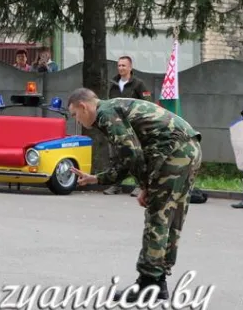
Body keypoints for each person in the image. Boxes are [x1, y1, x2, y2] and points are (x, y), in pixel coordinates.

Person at [66, 88, 202, 303]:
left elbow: (132, 154)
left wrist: (144, 186)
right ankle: (158, 282)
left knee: (157, 217)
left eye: (75, 115)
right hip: (188, 148)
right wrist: (96, 179)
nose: (77, 121)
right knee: (171, 216)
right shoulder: (114, 107)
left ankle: (148, 283)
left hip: (172, 151)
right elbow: (127, 157)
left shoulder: (106, 113)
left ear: (84, 107)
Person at [104, 55, 153, 197]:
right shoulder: (113, 84)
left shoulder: (138, 84)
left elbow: (147, 104)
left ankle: (140, 185)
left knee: (137, 155)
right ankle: (116, 184)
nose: (121, 68)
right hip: (117, 126)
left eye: (123, 66)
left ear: (130, 67)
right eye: (119, 65)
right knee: (117, 155)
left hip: (134, 126)